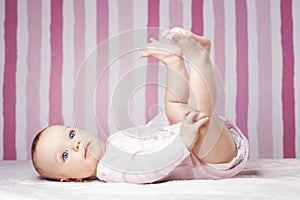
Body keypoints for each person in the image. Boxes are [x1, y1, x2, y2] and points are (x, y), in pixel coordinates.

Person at [31, 27, 249, 183]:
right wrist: (184, 138)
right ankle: (200, 58)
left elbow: (150, 136)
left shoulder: (113, 141)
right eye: (65, 155)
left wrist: (171, 122)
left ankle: (175, 64)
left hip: (195, 140)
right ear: (71, 179)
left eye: (70, 135)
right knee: (200, 117)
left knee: (175, 106)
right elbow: (151, 167)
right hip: (211, 159)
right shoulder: (110, 170)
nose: (75, 145)